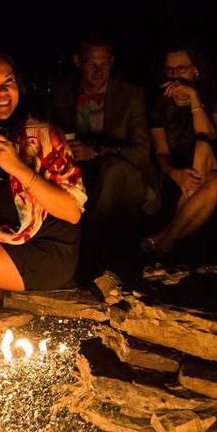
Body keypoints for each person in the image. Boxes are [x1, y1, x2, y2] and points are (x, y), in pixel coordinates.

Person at [0, 54, 86, 295]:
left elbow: (73, 212)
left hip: (43, 248)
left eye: (9, 81)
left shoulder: (41, 134)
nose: (2, 90)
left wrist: (17, 167)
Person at [41, 35, 154, 270]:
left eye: (104, 63)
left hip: (123, 177)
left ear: (112, 62)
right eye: (92, 63)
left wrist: (97, 152)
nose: (99, 70)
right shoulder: (61, 91)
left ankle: (92, 261)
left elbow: (142, 152)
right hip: (76, 175)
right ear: (77, 62)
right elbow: (45, 133)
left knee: (111, 170)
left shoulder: (131, 95)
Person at [141, 45, 217, 255]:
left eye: (181, 69)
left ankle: (164, 239)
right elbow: (161, 152)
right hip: (181, 173)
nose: (176, 75)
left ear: (195, 70)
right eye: (170, 70)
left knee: (203, 145)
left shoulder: (211, 95)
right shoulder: (158, 103)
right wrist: (175, 174)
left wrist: (194, 98)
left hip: (209, 161)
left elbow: (209, 134)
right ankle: (167, 241)